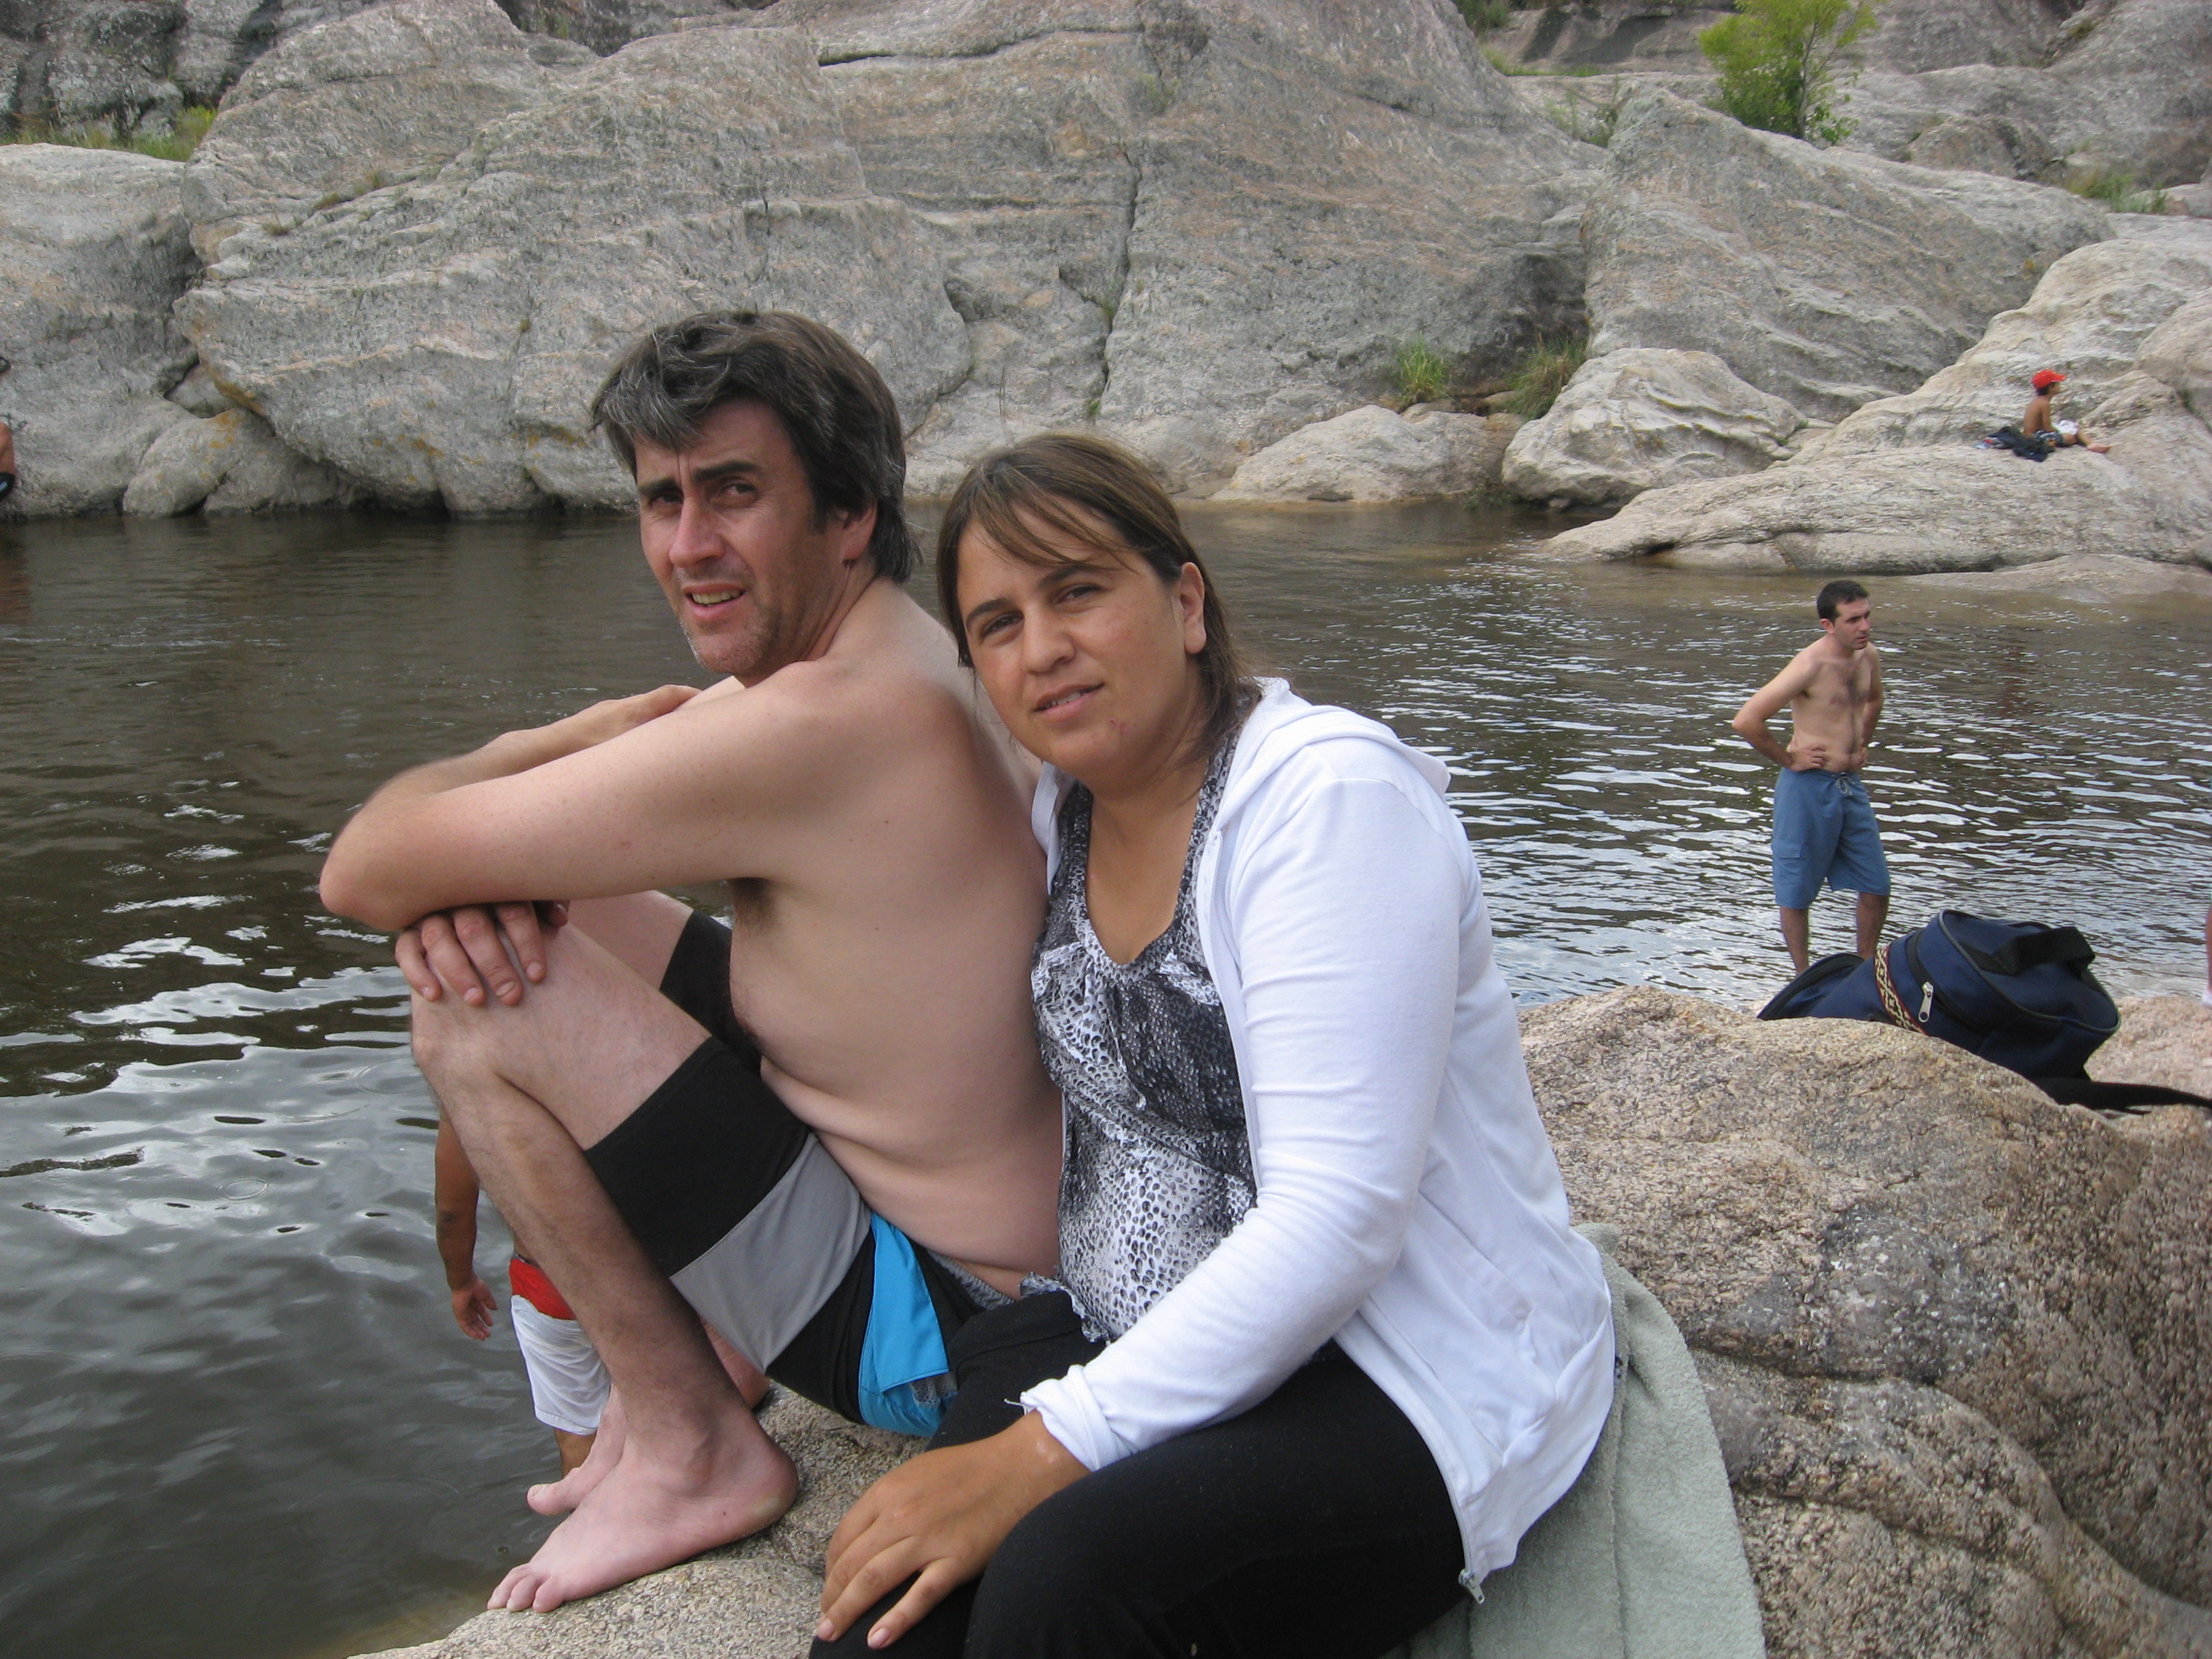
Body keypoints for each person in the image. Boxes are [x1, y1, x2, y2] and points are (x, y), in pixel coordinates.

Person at [807, 433, 1616, 1658]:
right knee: (885, 1612)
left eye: (1077, 591)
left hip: (1395, 1362)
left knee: (1063, 1589)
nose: (1042, 647)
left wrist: (1045, 1448)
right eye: (997, 624)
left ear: (1185, 603)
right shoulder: (1067, 805)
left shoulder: (1325, 803)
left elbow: (1340, 1216)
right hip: (1120, 1323)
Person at [318, 311, 1065, 1614]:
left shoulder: (817, 725)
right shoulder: (910, 655)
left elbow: (361, 867)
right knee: (557, 911)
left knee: (471, 1004)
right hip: (971, 1219)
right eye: (661, 499)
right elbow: (429, 875)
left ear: (850, 514)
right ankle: (717, 1356)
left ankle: (688, 1444)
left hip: (943, 1327)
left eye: (732, 492)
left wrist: (568, 736)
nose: (686, 546)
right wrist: (485, 878)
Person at [1730, 580, 1891, 974]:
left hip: (1849, 785)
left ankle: (1865, 968)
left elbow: (1873, 700)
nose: (1864, 626)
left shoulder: (1868, 655)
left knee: (1876, 884)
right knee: (1797, 890)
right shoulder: (1810, 665)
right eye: (1853, 620)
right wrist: (1789, 758)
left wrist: (1862, 743)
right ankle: (1802, 977)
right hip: (1806, 788)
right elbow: (1747, 720)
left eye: (1867, 616)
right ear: (1828, 625)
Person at [434, 1119, 609, 1477]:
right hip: (646, 1271)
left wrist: (461, 1282)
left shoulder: (470, 1096)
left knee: (578, 1431)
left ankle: (589, 1506)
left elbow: (452, 1211)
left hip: (549, 1282)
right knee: (669, 1411)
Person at [2023, 368, 2110, 454]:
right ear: (2051, 387)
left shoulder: (2038, 401)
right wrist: (2061, 433)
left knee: (2071, 426)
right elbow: (2048, 428)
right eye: (2058, 384)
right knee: (2070, 437)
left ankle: (2090, 443)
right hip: (2035, 437)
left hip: (2031, 435)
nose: (2060, 385)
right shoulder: (2045, 404)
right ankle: (2090, 444)